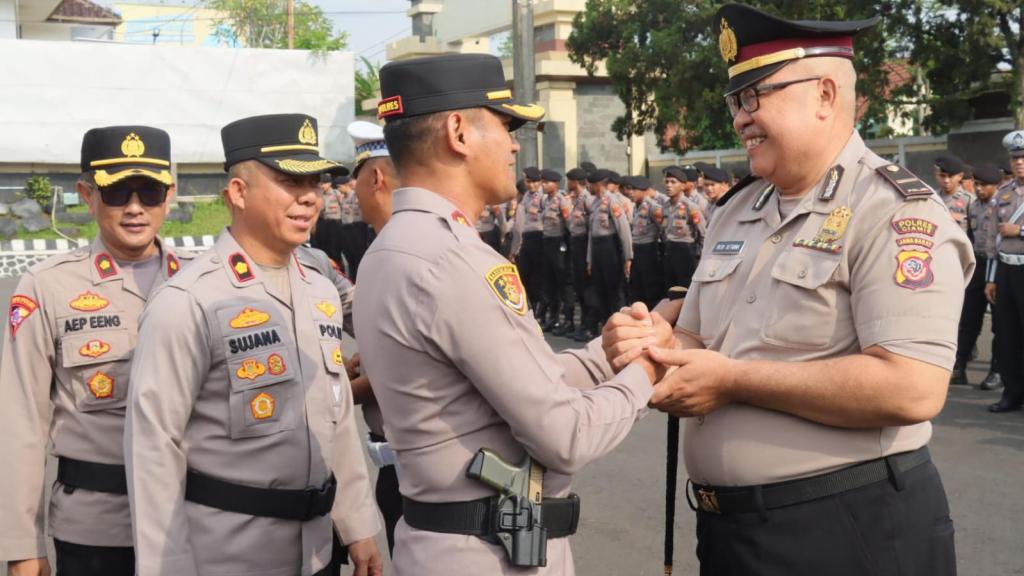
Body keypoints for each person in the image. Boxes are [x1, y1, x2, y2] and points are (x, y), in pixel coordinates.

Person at [608, 5, 972, 574]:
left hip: (847, 530)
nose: (739, 120)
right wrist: (655, 341)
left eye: (755, 96)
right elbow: (697, 337)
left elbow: (912, 387)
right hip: (732, 533)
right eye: (735, 101)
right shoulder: (737, 211)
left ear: (826, 94)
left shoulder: (894, 213)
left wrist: (733, 380)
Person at [354, 53, 675, 576]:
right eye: (505, 126)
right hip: (485, 552)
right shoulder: (453, 260)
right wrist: (649, 370)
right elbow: (566, 435)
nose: (512, 145)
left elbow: (518, 380)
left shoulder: (393, 248)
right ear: (458, 131)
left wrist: (611, 350)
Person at [124, 113, 382, 576]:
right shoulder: (188, 299)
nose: (308, 197)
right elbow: (153, 447)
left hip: (319, 551)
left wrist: (358, 525)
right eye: (289, 182)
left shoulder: (319, 289)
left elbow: (337, 418)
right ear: (238, 193)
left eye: (317, 184)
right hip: (230, 554)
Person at [0, 126, 190, 576]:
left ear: (171, 194)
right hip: (97, 531)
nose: (135, 207)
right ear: (87, 195)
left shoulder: (202, 282)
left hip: (195, 521)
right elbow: (20, 418)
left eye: (149, 191)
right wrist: (22, 544)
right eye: (117, 191)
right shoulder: (48, 286)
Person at [345, 119, 405, 554]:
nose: (354, 194)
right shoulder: (390, 248)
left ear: (376, 179)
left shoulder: (396, 255)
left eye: (356, 182)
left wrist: (331, 396)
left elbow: (396, 374)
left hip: (413, 465)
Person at [985, 129, 1024, 412]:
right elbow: (991, 239)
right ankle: (1012, 392)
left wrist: (1020, 230)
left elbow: (1009, 231)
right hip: (1006, 272)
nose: (1019, 162)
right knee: (1008, 335)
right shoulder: (1002, 194)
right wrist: (990, 278)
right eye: (1015, 158)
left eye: (1023, 157)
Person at [952, 163, 1001, 387]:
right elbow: (970, 236)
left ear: (996, 186)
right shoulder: (974, 206)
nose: (979, 189)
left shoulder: (1002, 204)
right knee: (969, 319)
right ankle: (959, 367)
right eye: (978, 185)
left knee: (999, 325)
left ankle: (997, 370)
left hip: (998, 265)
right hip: (978, 264)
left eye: (985, 186)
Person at [586, 169, 633, 329]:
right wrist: (589, 259)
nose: (588, 187)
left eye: (590, 184)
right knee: (600, 289)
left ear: (598, 184)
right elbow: (591, 233)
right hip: (598, 249)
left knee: (614, 289)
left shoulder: (612, 201)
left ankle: (620, 326)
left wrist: (628, 257)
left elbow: (624, 229)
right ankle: (606, 325)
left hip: (610, 248)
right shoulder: (595, 202)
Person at [661, 166, 705, 290]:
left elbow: (702, 233)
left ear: (682, 186)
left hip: (685, 251)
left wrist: (699, 255)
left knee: (685, 289)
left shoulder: (690, 206)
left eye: (673, 182)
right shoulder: (664, 206)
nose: (668, 185)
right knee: (670, 288)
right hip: (669, 250)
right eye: (667, 182)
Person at [510, 166, 546, 313]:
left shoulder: (544, 197)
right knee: (525, 276)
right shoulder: (526, 197)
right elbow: (519, 225)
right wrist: (515, 248)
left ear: (540, 182)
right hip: (526, 238)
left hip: (540, 237)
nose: (531, 185)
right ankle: (530, 307)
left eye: (534, 182)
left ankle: (541, 309)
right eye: (528, 181)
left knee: (539, 277)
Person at [565, 168, 595, 341]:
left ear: (575, 182)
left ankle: (589, 325)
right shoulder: (575, 199)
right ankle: (583, 324)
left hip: (585, 244)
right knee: (578, 285)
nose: (567, 184)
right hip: (575, 242)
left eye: (569, 180)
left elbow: (592, 226)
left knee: (586, 286)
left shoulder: (587, 199)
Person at [539, 168, 570, 331]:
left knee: (561, 282)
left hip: (559, 242)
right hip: (547, 242)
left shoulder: (561, 200)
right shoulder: (545, 200)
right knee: (548, 282)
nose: (543, 185)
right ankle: (552, 317)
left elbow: (568, 224)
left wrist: (566, 244)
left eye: (546, 182)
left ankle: (567, 320)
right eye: (542, 182)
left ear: (556, 184)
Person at [628, 176, 664, 309]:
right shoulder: (636, 207)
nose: (631, 192)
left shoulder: (653, 208)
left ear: (644, 191)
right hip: (637, 250)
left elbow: (663, 229)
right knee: (636, 287)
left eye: (635, 190)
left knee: (650, 288)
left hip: (649, 250)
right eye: (630, 189)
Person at [934, 154, 972, 234]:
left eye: (951, 176)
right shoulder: (932, 198)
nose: (946, 180)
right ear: (936, 175)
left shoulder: (969, 200)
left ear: (960, 176)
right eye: (942, 176)